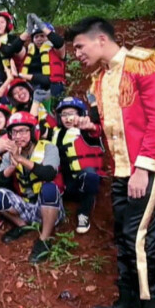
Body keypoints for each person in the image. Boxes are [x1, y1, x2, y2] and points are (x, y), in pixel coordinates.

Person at [69, 16, 155, 308]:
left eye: (80, 47)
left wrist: (143, 169)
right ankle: (127, 301)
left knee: (139, 239)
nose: (77, 54)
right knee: (124, 236)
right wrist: (90, 127)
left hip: (147, 170)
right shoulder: (101, 79)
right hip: (122, 171)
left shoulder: (144, 65)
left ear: (101, 39)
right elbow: (115, 127)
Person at [0, 111, 64, 263]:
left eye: (23, 131)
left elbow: (49, 174)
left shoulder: (49, 148)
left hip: (48, 207)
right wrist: (12, 166)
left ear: (33, 132)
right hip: (26, 206)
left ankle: (44, 239)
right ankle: (22, 226)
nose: (18, 136)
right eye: (14, 132)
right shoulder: (9, 154)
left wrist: (21, 159)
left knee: (49, 189)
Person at [51, 97, 104, 234]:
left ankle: (84, 213)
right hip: (66, 185)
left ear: (80, 114)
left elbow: (96, 129)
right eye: (64, 114)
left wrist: (91, 125)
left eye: (71, 113)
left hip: (85, 181)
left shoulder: (87, 131)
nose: (67, 118)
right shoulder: (56, 133)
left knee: (90, 175)